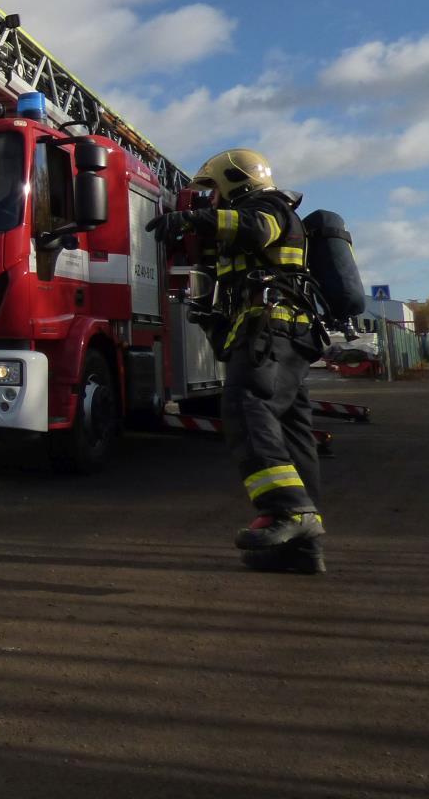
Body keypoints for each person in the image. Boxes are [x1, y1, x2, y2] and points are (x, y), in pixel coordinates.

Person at [147, 149, 327, 575]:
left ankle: (286, 509)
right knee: (292, 433)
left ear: (234, 181)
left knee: (245, 405)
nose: (211, 200)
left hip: (273, 330)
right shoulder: (260, 215)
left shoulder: (270, 206)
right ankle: (301, 548)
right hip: (285, 334)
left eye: (213, 191)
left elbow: (256, 229)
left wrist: (195, 219)